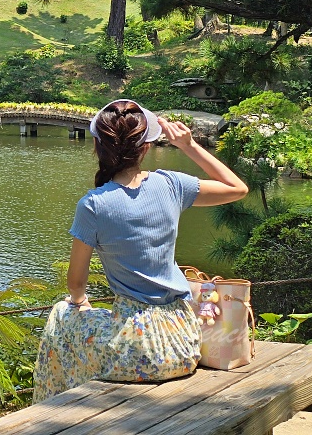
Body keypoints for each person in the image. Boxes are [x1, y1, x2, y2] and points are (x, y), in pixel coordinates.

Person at [33, 99, 249, 400]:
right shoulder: (172, 184)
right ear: (145, 147)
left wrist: (80, 303)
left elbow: (76, 284)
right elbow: (237, 189)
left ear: (99, 146)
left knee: (61, 316)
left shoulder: (93, 205)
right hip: (183, 344)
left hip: (135, 351)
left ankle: (54, 411)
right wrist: (188, 146)